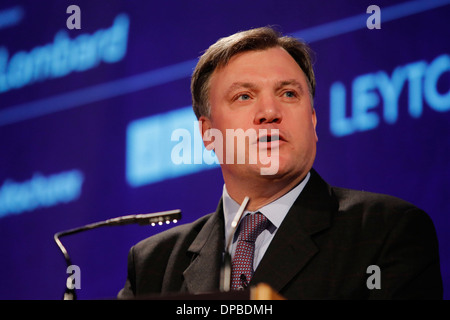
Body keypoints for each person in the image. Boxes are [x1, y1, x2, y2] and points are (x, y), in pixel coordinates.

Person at [117, 27, 443, 299]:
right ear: (208, 133)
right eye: (244, 96)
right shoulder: (154, 265)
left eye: (288, 93)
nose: (270, 112)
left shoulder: (385, 232)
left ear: (313, 121)